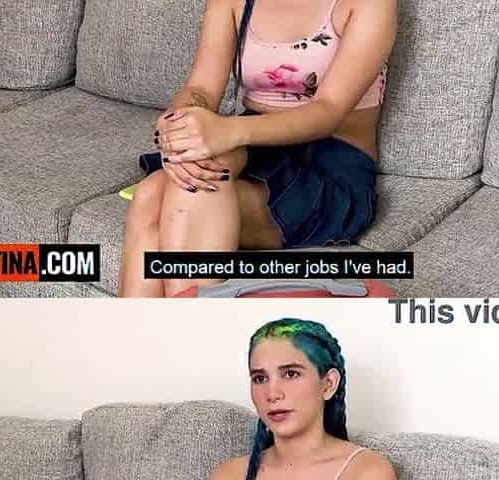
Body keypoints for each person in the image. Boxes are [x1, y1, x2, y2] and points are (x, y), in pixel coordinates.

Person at [118, 0, 397, 297]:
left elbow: (328, 112)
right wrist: (179, 129)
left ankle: (189, 324)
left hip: (327, 162)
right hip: (255, 148)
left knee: (185, 190)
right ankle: (159, 327)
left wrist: (227, 131)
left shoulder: (369, 4)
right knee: (152, 194)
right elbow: (200, 89)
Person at [210, 318, 397, 480]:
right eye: (260, 378)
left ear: (329, 384)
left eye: (291, 374)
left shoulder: (366, 471)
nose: (272, 394)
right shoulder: (230, 474)